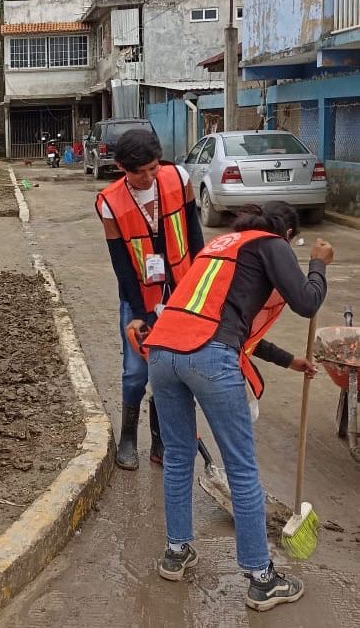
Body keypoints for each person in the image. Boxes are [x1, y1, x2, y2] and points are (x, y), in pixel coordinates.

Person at [144, 202, 332, 611]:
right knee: (242, 468)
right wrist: (317, 264)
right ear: (287, 233)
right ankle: (261, 579)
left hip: (160, 352)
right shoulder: (272, 243)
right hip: (208, 357)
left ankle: (176, 552)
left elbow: (218, 319)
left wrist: (288, 360)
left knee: (177, 457)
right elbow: (307, 301)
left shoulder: (220, 246)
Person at [95, 129, 204, 470]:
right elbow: (122, 265)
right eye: (138, 172)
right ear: (121, 168)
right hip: (139, 296)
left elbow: (195, 236)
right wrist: (140, 313)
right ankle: (128, 438)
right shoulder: (110, 202)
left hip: (180, 290)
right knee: (136, 371)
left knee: (170, 369)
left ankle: (161, 441)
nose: (147, 178)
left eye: (152, 169)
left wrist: (201, 291)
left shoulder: (178, 178)